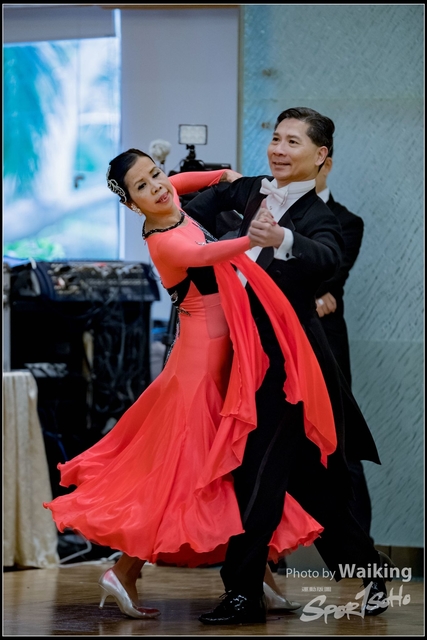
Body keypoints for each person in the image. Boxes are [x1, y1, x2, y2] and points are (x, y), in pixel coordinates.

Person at [43, 148, 339, 620]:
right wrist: (252, 238)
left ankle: (257, 575)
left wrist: (227, 174)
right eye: (143, 187)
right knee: (188, 471)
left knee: (235, 465)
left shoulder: (168, 195)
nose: (158, 186)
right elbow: (205, 253)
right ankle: (125, 570)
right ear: (131, 204)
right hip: (199, 366)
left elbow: (192, 180)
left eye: (156, 174)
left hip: (225, 353)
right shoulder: (163, 241)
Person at [184, 107, 391, 625]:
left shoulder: (322, 217)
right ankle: (372, 569)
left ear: (320, 156)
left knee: (256, 469)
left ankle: (242, 593)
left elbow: (328, 258)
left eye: (293, 142)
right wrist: (212, 181)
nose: (279, 149)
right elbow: (184, 209)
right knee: (312, 485)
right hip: (243, 356)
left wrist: (282, 240)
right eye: (276, 138)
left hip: (288, 367)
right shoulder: (249, 190)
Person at [314, 151, 373, 541]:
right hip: (272, 340)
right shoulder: (268, 212)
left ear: (325, 160)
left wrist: (312, 289)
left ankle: (360, 552)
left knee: (341, 444)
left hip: (326, 343)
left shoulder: (347, 221)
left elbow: (330, 276)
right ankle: (272, 557)